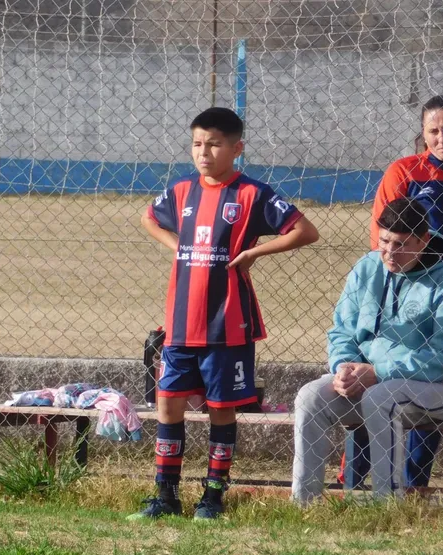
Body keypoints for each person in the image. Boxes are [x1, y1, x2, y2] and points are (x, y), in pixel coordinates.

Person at [130, 107, 319, 520]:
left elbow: (306, 231)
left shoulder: (253, 194)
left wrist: (254, 251)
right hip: (180, 326)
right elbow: (147, 217)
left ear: (236, 148)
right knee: (168, 406)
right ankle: (165, 496)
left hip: (227, 326)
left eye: (214, 144)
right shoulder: (182, 191)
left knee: (221, 409)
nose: (204, 152)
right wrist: (176, 246)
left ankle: (212, 497)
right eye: (197, 144)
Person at [341, 95, 443, 491]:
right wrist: (418, 276)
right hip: (401, 293)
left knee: (431, 377)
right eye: (433, 130)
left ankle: (413, 485)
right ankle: (354, 478)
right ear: (423, 134)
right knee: (377, 378)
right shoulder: (404, 173)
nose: (442, 137)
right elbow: (383, 235)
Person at [292, 198, 443, 503]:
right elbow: (342, 329)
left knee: (381, 399)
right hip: (370, 380)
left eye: (402, 244)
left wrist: (379, 373)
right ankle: (304, 503)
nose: (390, 253)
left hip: (440, 386)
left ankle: (387, 505)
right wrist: (343, 367)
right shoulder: (367, 267)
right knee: (310, 397)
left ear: (423, 241)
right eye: (384, 241)